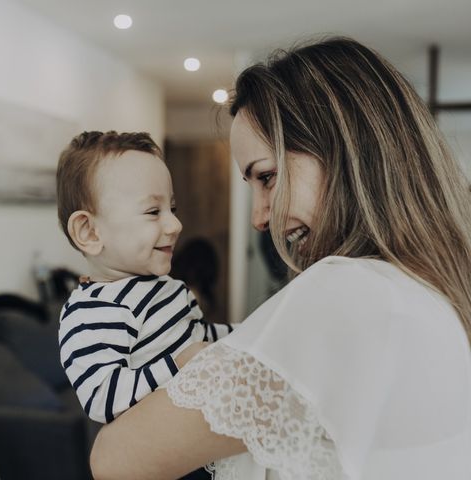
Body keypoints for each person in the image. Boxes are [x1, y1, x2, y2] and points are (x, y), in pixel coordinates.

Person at [89, 37, 471, 480]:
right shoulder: (429, 288)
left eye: (267, 177)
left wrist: (191, 356)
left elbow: (115, 459)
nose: (258, 218)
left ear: (345, 151)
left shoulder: (347, 290)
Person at [55, 131, 233, 428]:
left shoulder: (169, 288)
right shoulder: (92, 314)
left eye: (172, 209)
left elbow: (201, 338)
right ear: (90, 232)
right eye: (153, 211)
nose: (175, 224)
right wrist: (178, 365)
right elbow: (103, 399)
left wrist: (251, 332)